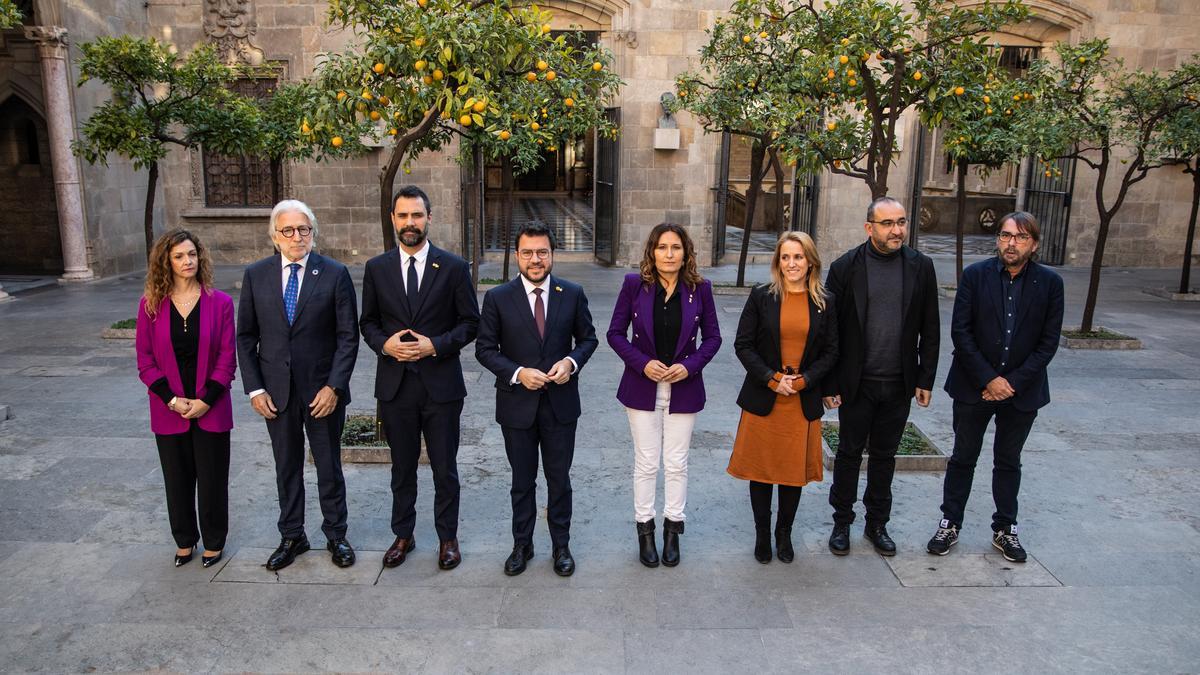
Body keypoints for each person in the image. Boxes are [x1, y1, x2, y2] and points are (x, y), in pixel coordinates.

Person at [927, 211, 1064, 562]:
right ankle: (950, 522)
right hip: (974, 387)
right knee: (962, 458)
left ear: (1033, 243)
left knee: (1008, 461)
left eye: (1019, 237)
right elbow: (961, 331)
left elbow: (1047, 344)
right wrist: (989, 379)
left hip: (1022, 393)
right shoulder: (975, 276)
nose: (1010, 243)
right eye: (1005, 236)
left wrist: (1010, 384)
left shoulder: (1050, 284)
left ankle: (1005, 528)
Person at [361, 185, 480, 572]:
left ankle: (448, 537)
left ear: (429, 218)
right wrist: (385, 345)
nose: (409, 223)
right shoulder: (377, 269)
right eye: (402, 216)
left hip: (441, 386)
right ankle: (404, 534)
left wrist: (436, 346)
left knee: (445, 467)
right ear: (393, 220)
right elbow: (368, 324)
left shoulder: (454, 268)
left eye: (416, 215)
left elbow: (470, 324)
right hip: (395, 386)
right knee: (402, 466)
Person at [237, 200, 359, 571]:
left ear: (313, 233)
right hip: (276, 394)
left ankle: (336, 534)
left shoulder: (335, 274)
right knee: (286, 466)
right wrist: (255, 390)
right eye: (288, 230)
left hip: (322, 395)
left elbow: (347, 337)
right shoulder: (256, 275)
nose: (297, 237)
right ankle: (292, 535)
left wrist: (334, 387)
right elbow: (245, 337)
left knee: (328, 466)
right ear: (275, 236)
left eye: (304, 229)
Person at [475, 222, 599, 577]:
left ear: (552, 254)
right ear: (516, 256)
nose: (535, 259)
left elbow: (588, 340)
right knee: (522, 480)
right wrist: (517, 373)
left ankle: (562, 545)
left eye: (542, 252)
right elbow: (485, 349)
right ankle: (522, 544)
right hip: (517, 405)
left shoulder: (572, 293)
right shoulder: (498, 297)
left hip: (560, 406)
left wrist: (571, 362)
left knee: (559, 479)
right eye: (527, 253)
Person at [824, 196, 940, 557]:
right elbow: (831, 331)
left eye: (901, 222)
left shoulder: (921, 266)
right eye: (888, 224)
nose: (897, 230)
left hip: (899, 382)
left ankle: (877, 524)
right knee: (848, 453)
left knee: (885, 457)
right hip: (856, 383)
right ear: (869, 227)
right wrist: (830, 383)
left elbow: (931, 327)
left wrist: (925, 378)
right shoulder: (845, 268)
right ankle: (842, 521)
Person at [607, 223, 722, 568]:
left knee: (676, 463)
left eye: (675, 247)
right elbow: (615, 333)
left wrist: (690, 366)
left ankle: (673, 531)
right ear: (651, 252)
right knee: (646, 462)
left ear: (685, 252)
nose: (668, 254)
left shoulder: (700, 289)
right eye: (661, 247)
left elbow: (713, 338)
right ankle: (645, 530)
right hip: (643, 387)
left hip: (683, 388)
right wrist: (643, 364)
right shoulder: (634, 286)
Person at [728, 232, 838, 564]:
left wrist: (804, 381)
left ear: (811, 262)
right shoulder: (762, 296)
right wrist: (772, 379)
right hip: (765, 397)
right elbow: (743, 345)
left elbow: (832, 352)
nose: (792, 263)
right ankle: (762, 535)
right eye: (786, 257)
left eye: (798, 257)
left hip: (801, 400)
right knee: (761, 472)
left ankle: (783, 534)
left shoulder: (825, 301)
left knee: (792, 474)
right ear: (778, 261)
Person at [135, 229, 236, 568]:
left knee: (211, 480)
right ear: (166, 261)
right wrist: (173, 400)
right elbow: (145, 361)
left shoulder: (219, 302)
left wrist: (206, 399)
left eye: (191, 254)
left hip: (212, 408)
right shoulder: (150, 305)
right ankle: (184, 540)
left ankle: (213, 541)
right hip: (169, 411)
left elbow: (227, 358)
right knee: (177, 481)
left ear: (200, 257)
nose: (187, 261)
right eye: (178, 256)